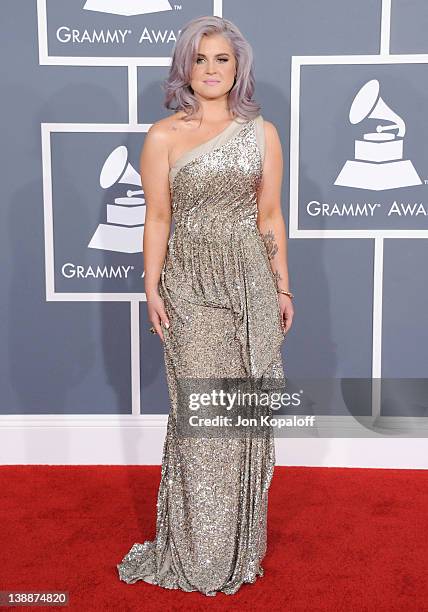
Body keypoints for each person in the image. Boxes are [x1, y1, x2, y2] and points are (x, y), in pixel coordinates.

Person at [117, 15, 294, 597]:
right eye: (200, 59)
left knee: (241, 417)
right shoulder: (163, 135)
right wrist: (152, 286)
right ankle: (196, 549)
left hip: (249, 284)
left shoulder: (262, 132)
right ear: (184, 68)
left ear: (237, 66)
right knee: (200, 420)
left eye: (222, 59)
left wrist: (283, 287)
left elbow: (269, 216)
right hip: (190, 284)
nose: (211, 70)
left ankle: (238, 547)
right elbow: (158, 217)